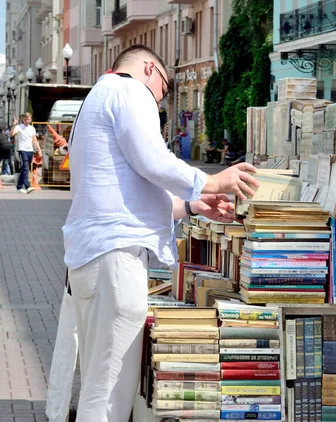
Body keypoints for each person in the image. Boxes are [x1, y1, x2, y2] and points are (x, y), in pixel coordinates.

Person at [61, 44, 259, 421]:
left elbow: (126, 192)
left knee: (101, 383)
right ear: (150, 69)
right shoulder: (129, 90)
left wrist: (192, 205)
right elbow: (152, 159)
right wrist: (211, 181)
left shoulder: (96, 100)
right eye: (164, 91)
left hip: (95, 256)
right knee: (109, 391)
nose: (160, 102)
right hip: (115, 258)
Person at [10, 113, 42, 193]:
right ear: (22, 120)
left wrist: (39, 150)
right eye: (25, 119)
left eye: (28, 119)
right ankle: (27, 186)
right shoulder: (19, 127)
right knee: (26, 168)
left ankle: (19, 186)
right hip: (22, 149)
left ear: (31, 120)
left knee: (25, 169)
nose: (27, 121)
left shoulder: (32, 128)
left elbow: (34, 140)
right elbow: (11, 134)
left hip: (30, 150)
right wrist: (14, 125)